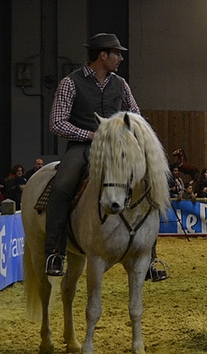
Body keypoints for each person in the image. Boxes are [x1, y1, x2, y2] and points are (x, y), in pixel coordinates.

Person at [45, 33, 168, 279]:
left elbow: (136, 115)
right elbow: (57, 123)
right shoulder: (70, 83)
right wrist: (91, 135)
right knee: (61, 187)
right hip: (83, 146)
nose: (120, 58)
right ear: (103, 55)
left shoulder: (121, 84)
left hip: (119, 148)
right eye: (117, 53)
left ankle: (150, 257)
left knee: (148, 183)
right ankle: (55, 252)